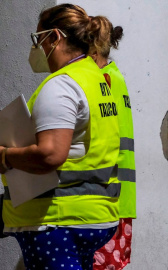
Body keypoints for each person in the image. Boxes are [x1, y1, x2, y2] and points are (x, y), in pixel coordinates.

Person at [0, 4, 121, 270]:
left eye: (38, 38)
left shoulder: (61, 85)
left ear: (55, 37)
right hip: (96, 216)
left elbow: (51, 154)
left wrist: (3, 155)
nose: (36, 47)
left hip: (57, 220)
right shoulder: (97, 79)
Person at [90, 22, 135, 270]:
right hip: (117, 199)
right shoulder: (115, 77)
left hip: (107, 199)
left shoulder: (103, 80)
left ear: (93, 52)